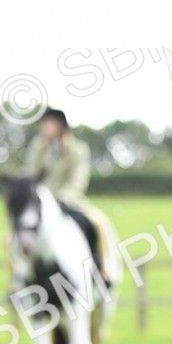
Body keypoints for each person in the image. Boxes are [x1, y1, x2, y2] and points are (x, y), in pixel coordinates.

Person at [25, 107, 113, 277]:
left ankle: (102, 271)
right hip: (41, 203)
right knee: (12, 236)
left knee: (98, 223)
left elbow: (79, 178)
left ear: (60, 126)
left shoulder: (78, 148)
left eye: (48, 123)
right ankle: (19, 279)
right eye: (43, 124)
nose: (44, 128)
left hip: (69, 201)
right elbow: (31, 174)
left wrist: (63, 197)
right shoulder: (38, 147)